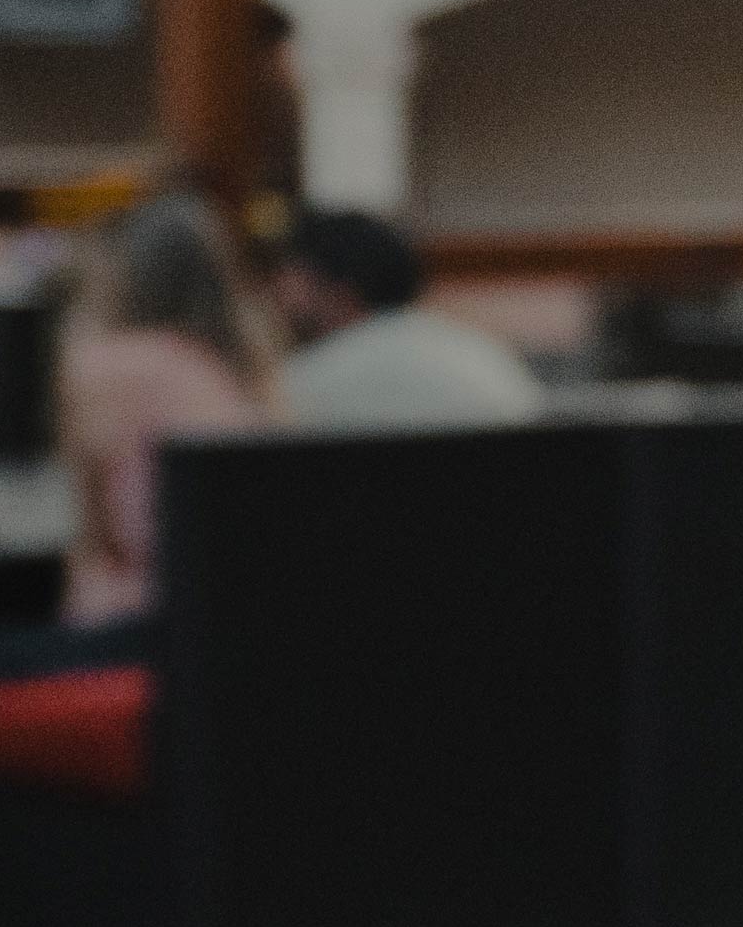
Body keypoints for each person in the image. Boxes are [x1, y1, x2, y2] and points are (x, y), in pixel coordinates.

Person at [54, 192, 277, 628]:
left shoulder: (107, 364)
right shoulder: (252, 374)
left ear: (122, 276)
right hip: (242, 621)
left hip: (135, 631)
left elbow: (95, 530)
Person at [268, 209, 540, 429]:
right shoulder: (485, 356)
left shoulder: (304, 382)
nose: (277, 293)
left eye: (290, 276)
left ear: (341, 289)